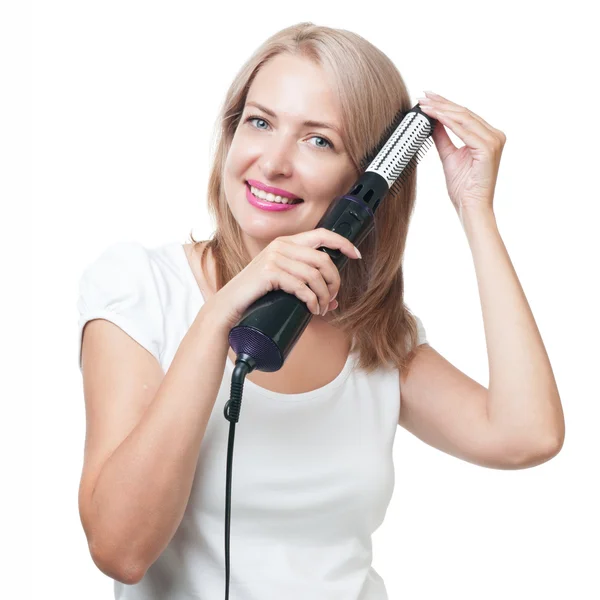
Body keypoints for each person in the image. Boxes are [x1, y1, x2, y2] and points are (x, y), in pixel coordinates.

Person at [76, 22, 564, 600]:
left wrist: (475, 209)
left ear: (367, 182)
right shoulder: (141, 287)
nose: (273, 162)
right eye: (260, 122)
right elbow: (121, 550)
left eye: (319, 140)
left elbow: (526, 435)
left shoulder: (376, 338)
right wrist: (216, 320)